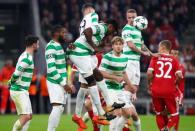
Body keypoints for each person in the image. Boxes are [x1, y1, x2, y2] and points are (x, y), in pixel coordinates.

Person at [69, 19, 121, 129]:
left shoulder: (102, 34)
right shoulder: (103, 27)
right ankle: (100, 114)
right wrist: (94, 46)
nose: (112, 35)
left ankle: (108, 105)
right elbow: (87, 31)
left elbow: (94, 46)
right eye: (113, 32)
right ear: (111, 27)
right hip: (79, 54)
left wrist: (97, 47)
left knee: (98, 76)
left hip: (84, 54)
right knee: (91, 82)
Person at [99, 36, 136, 131]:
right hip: (108, 88)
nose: (118, 46)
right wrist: (115, 77)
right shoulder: (107, 56)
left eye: (120, 44)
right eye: (116, 44)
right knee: (117, 112)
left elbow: (123, 73)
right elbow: (100, 73)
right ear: (112, 46)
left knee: (128, 113)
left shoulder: (125, 58)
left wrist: (131, 86)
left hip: (119, 89)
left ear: (123, 46)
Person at [122, 9, 149, 131]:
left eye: (133, 17)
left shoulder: (138, 30)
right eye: (129, 17)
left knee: (134, 89)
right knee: (128, 88)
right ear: (126, 18)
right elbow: (131, 45)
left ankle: (127, 118)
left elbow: (142, 44)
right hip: (128, 61)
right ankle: (124, 121)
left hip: (136, 62)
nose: (132, 19)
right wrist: (143, 53)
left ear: (137, 18)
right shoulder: (126, 29)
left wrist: (152, 53)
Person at [147, 40, 183, 131]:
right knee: (174, 114)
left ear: (162, 48)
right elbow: (179, 75)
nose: (158, 49)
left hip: (156, 90)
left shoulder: (155, 58)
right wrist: (175, 82)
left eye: (159, 47)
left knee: (159, 113)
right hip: (169, 90)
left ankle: (162, 129)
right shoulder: (174, 59)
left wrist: (149, 84)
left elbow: (149, 73)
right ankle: (168, 127)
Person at [45, 25, 73, 131]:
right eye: (63, 33)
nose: (65, 35)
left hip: (60, 81)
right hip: (54, 81)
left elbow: (62, 61)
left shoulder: (59, 46)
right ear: (56, 34)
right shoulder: (51, 46)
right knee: (57, 107)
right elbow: (52, 68)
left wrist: (69, 51)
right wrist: (64, 84)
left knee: (60, 108)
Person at [9, 35, 39, 131]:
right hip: (19, 90)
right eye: (38, 44)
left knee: (29, 116)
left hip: (22, 90)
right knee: (26, 116)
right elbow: (17, 73)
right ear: (34, 44)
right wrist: (10, 81)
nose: (38, 46)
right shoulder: (27, 58)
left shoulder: (26, 55)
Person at [170, 49, 186, 131]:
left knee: (175, 112)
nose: (173, 55)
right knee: (170, 111)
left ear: (178, 56)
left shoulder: (181, 67)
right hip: (170, 91)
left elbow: (177, 79)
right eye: (171, 53)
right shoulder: (170, 65)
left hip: (178, 92)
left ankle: (175, 129)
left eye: (175, 54)